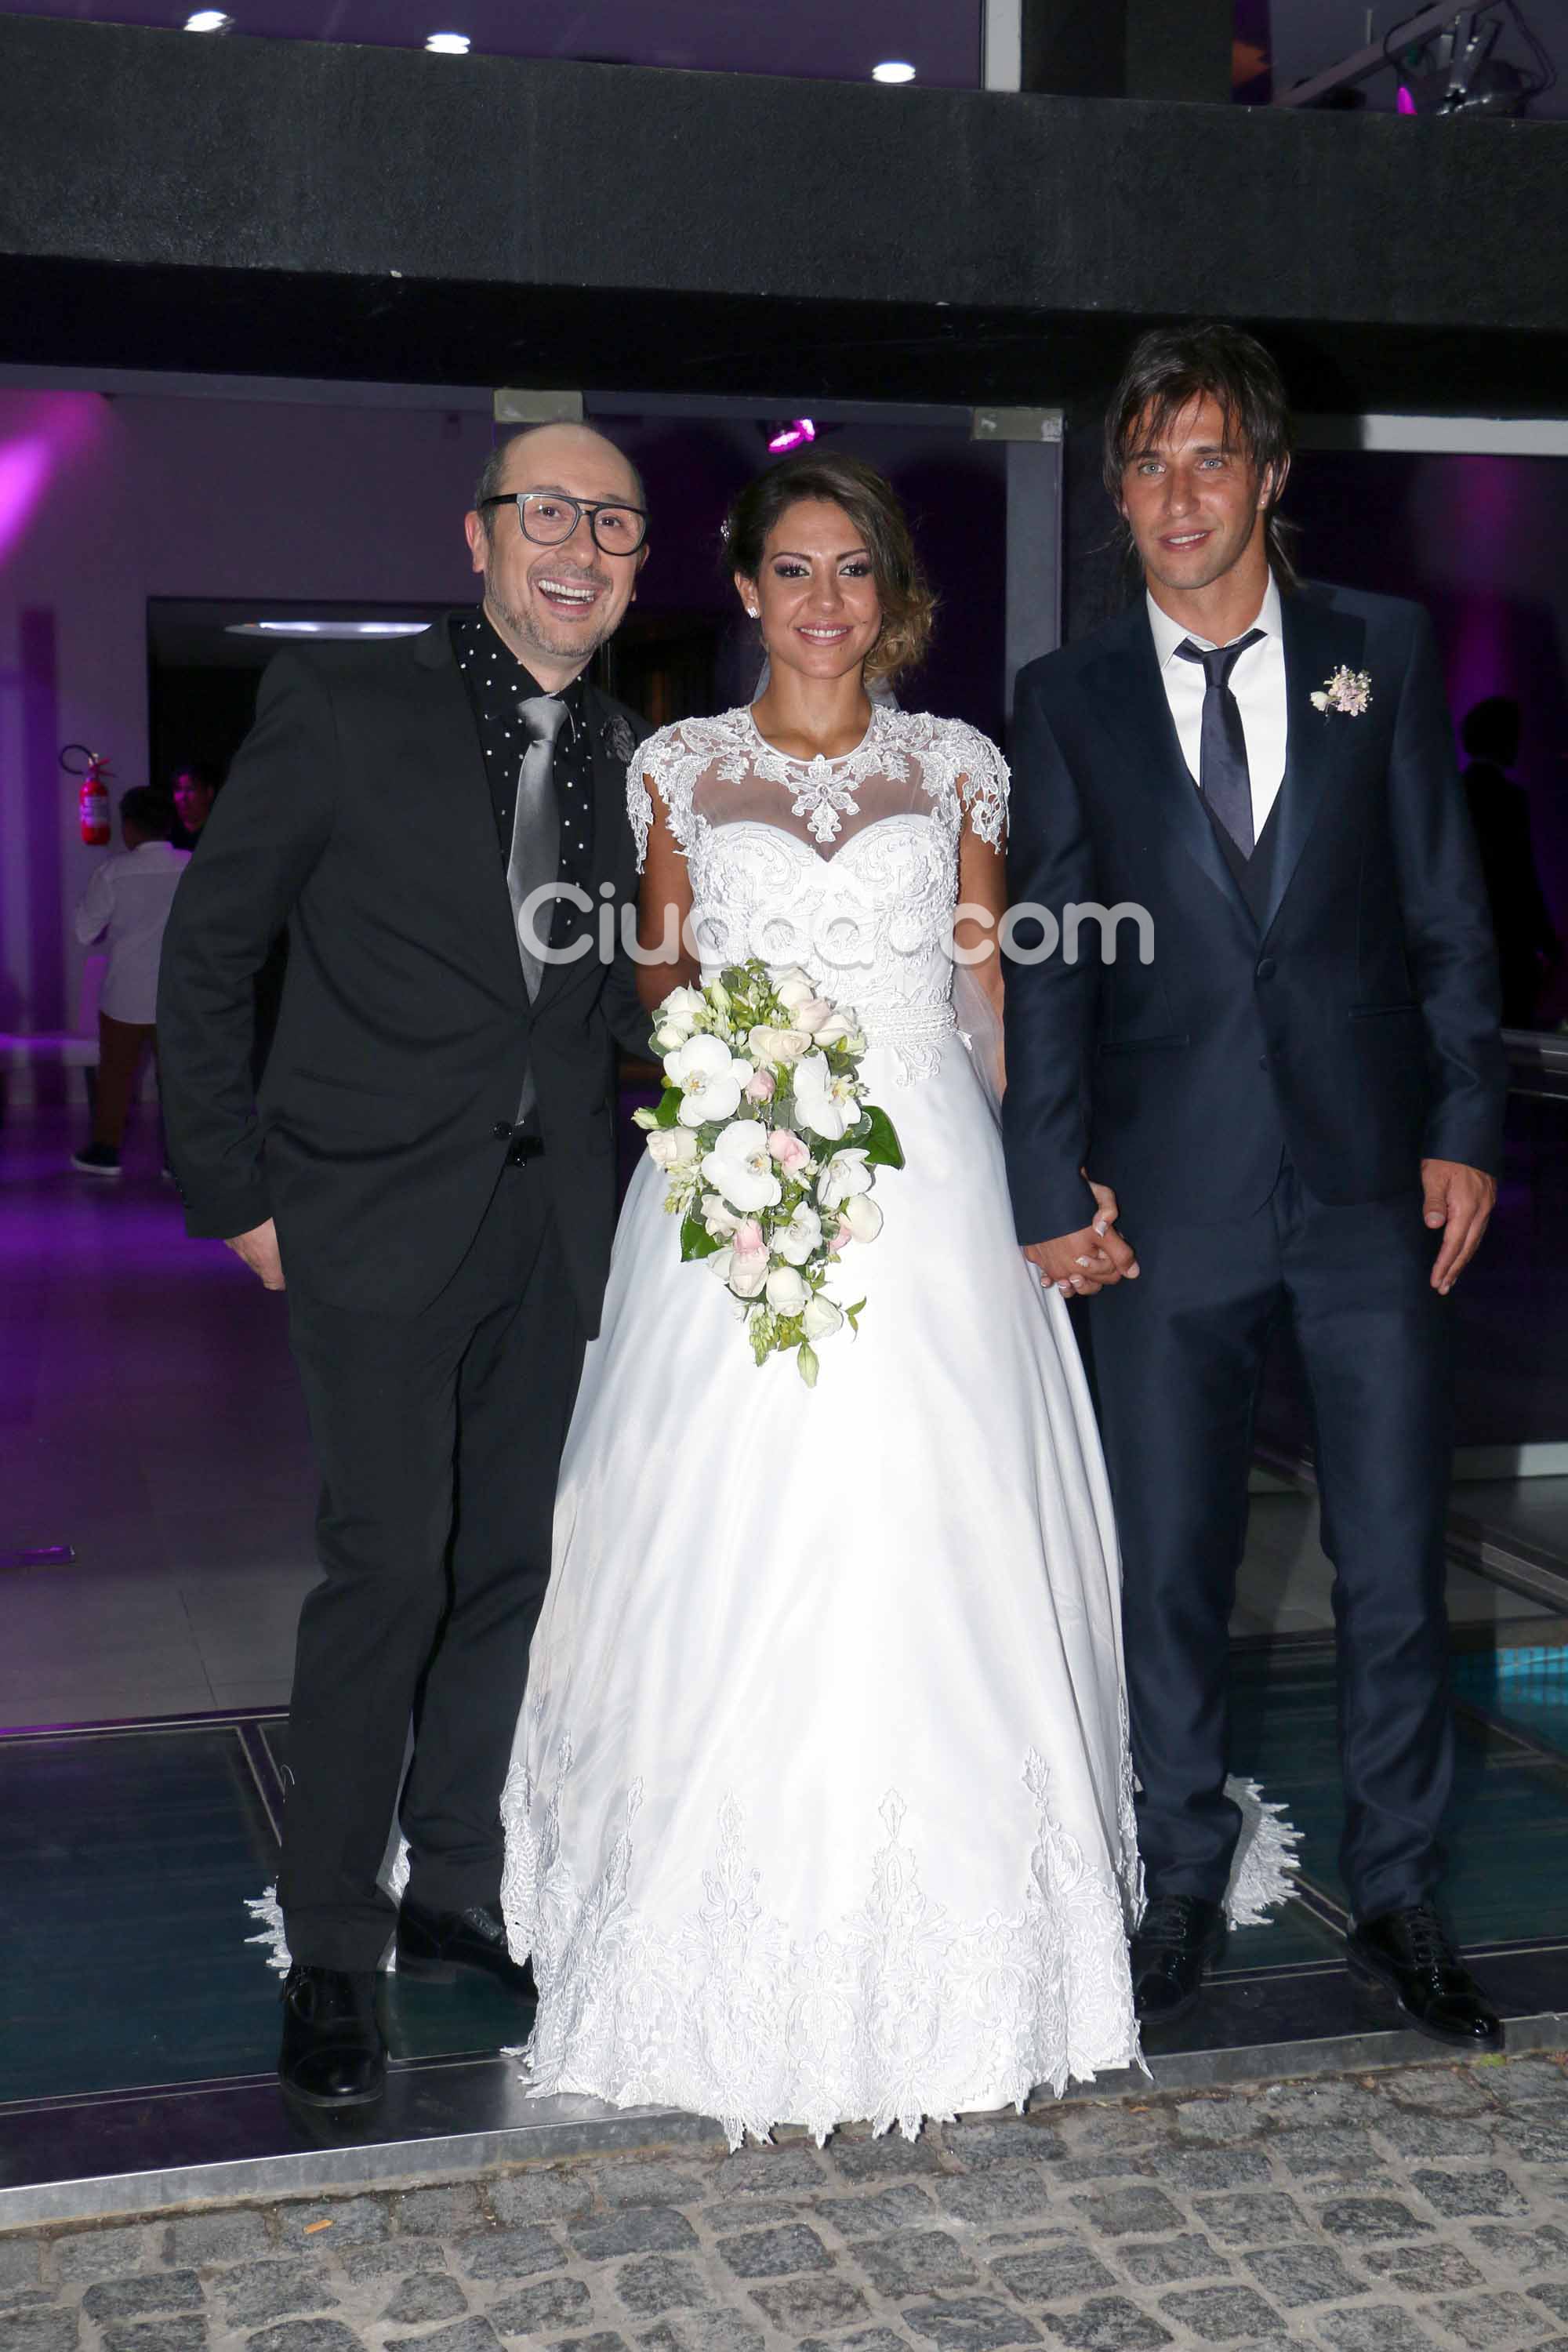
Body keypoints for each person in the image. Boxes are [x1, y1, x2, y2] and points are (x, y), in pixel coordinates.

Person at [499, 450, 1150, 2149]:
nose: (823, 602)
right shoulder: (675, 765)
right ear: (744, 590)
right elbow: (657, 973)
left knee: (931, 1523)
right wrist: (742, 1080)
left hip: (925, 1178)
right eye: (793, 570)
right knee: (726, 1520)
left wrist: (1029, 1187)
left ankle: (975, 1959)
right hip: (735, 1164)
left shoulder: (957, 767)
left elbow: (982, 985)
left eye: (852, 571)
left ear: (892, 595)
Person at [1002, 324, 1507, 2050]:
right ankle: (1170, 1885)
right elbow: (1047, 959)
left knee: (1386, 1555)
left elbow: (1446, 913)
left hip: (1372, 1193)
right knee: (1168, 1568)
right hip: (1160, 1204)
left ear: (1272, 476)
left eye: (1208, 457)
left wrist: (1467, 1125)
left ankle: (1402, 1895)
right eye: (1144, 465)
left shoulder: (1383, 652)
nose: (1175, 496)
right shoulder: (1064, 699)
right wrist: (1042, 1184)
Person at [157, 423, 653, 2109]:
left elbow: (597, 1010)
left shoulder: (621, 749)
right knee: (386, 1571)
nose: (577, 545)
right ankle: (328, 1946)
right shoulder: (340, 704)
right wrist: (229, 1188)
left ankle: (452, 1884)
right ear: (478, 534)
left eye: (613, 522)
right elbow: (212, 947)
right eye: (547, 514)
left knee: (505, 1564)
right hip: (367, 1216)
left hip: (553, 1226)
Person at [71, 786, 189, 1177]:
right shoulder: (194, 865)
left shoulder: (113, 873)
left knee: (115, 1077)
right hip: (180, 995)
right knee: (179, 1082)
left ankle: (105, 1151)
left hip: (125, 993)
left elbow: (86, 932)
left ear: (131, 828)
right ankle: (178, 1159)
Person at [1461, 696, 1559, 1029]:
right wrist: (1549, 944)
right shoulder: (1506, 797)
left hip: (1468, 936)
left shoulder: (1458, 791)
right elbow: (1520, 874)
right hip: (1507, 939)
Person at [170, 762, 220, 851]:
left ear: (209, 792)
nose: (182, 797)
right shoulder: (167, 835)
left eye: (190, 790)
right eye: (178, 790)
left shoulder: (221, 832)